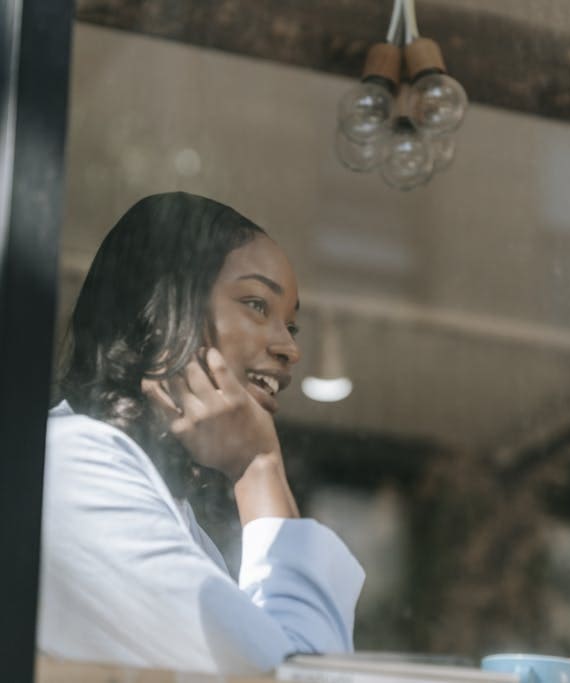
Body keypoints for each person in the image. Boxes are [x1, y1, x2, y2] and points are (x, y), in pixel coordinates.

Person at [38, 192, 364, 675]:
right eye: (257, 304)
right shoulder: (76, 466)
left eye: (291, 326)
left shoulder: (168, 507)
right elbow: (299, 677)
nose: (290, 349)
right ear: (161, 311)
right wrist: (259, 469)